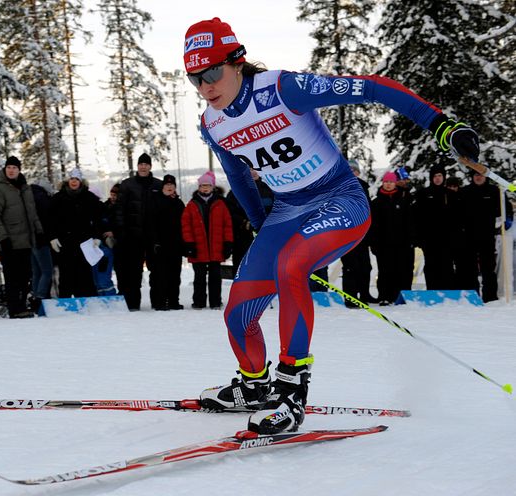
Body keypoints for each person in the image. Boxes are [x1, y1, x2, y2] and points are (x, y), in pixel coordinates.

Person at [184, 17, 480, 435]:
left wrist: (443, 126)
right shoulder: (212, 123)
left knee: (291, 265)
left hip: (340, 198)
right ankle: (255, 387)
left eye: (212, 71)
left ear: (237, 62)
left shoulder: (283, 88)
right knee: (238, 314)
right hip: (287, 212)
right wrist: (258, 223)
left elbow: (374, 87)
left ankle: (291, 392)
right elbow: (235, 172)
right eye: (195, 78)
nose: (205, 85)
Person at [0, 156, 44, 318]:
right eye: (9, 167)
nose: (11, 170)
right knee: (12, 276)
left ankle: (22, 304)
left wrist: (38, 232)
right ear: (5, 169)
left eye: (14, 168)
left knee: (26, 275)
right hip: (8, 242)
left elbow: (32, 214)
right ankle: (15, 308)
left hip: (25, 241)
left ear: (19, 170)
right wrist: (2, 236)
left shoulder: (25, 188)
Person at [48, 168, 110, 298]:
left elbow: (99, 218)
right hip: (65, 242)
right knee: (66, 275)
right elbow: (50, 220)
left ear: (81, 181)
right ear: (67, 181)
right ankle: (65, 304)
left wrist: (97, 237)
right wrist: (52, 237)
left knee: (84, 275)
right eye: (71, 179)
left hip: (85, 243)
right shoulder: (58, 198)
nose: (74, 182)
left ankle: (87, 302)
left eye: (76, 179)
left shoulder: (89, 198)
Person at [113, 153, 164, 310]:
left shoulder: (158, 185)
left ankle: (158, 302)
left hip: (152, 236)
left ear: (150, 166)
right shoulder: (127, 185)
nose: (143, 166)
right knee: (133, 272)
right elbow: (119, 210)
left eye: (146, 164)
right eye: (141, 164)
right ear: (137, 166)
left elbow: (164, 210)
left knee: (156, 271)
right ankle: (133, 303)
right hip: (132, 236)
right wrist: (122, 232)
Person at [181, 171, 233, 309]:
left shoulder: (220, 204)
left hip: (216, 248)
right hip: (198, 248)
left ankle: (215, 301)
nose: (205, 188)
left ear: (213, 187)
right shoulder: (192, 205)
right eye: (202, 185)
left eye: (208, 185)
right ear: (198, 187)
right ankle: (199, 301)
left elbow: (227, 225)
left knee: (215, 277)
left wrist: (228, 243)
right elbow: (186, 226)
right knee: (199, 277)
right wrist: (189, 243)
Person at [459, 171, 511, 302]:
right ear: (472, 177)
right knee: (470, 269)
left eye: (480, 175)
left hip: (487, 235)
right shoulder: (465, 191)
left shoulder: (495, 191)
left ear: (485, 176)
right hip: (468, 236)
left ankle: (490, 297)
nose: (478, 177)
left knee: (488, 267)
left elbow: (506, 209)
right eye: (475, 175)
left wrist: (506, 218)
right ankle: (473, 296)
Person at [369, 172, 415, 305]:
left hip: (401, 244)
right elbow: (372, 226)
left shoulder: (403, 200)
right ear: (383, 183)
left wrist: (411, 239)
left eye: (391, 182)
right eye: (386, 182)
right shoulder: (376, 202)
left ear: (395, 183)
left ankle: (399, 296)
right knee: (384, 271)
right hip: (383, 244)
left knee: (401, 270)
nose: (388, 184)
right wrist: (374, 243)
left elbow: (409, 222)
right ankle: (384, 296)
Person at [414, 164, 459, 289]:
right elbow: (417, 217)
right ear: (431, 178)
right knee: (431, 265)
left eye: (440, 175)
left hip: (447, 239)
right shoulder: (423, 194)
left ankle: (448, 291)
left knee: (447, 265)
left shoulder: (451, 194)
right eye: (435, 176)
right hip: (429, 239)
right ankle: (432, 290)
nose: (438, 178)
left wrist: (456, 235)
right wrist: (418, 237)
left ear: (444, 177)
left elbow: (457, 217)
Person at [340, 161, 376, 306]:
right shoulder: (340, 186)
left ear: (358, 172)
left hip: (363, 233)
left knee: (365, 266)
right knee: (350, 266)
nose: (352, 173)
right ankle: (350, 297)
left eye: (354, 170)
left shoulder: (364, 186)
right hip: (346, 232)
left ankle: (365, 294)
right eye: (349, 170)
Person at [225, 168, 274, 275]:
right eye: (249, 170)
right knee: (242, 267)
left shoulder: (269, 189)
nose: (253, 172)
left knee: (266, 267)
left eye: (255, 169)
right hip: (242, 238)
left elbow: (277, 209)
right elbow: (229, 212)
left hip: (265, 236)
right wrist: (244, 223)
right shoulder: (236, 190)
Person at [149, 174, 186, 310]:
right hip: (160, 244)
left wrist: (184, 243)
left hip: (175, 245)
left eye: (172, 185)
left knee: (175, 275)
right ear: (163, 186)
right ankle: (159, 301)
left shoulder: (178, 203)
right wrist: (155, 241)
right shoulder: (155, 201)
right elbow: (151, 223)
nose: (169, 187)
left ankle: (173, 301)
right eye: (167, 185)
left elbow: (184, 224)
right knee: (160, 275)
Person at [29, 177, 55, 309]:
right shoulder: (42, 198)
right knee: (47, 271)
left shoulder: (29, 196)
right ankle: (40, 297)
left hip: (31, 239)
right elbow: (47, 219)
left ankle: (35, 295)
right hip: (41, 239)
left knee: (37, 271)